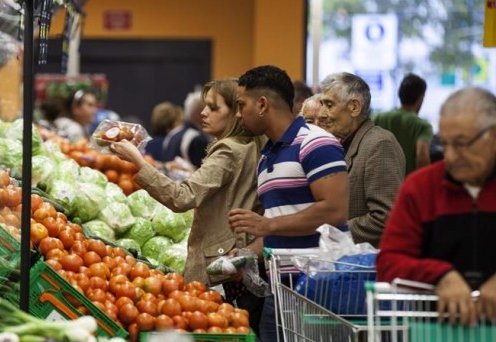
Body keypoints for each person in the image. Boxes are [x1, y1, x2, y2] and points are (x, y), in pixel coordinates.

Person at [109, 79, 266, 334]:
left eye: (214, 108)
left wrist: (138, 161)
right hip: (237, 259)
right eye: (205, 106)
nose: (203, 113)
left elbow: (182, 197)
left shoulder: (228, 150)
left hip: (220, 267)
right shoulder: (251, 146)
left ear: (236, 113)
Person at [229, 65, 350, 341]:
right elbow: (280, 225)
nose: (238, 114)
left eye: (241, 105)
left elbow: (334, 210)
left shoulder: (316, 143)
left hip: (320, 290)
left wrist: (267, 224)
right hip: (281, 289)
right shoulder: (267, 156)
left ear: (262, 104)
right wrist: (247, 255)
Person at [377, 87, 496, 326]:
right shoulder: (421, 188)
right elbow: (389, 261)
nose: (450, 157)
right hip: (436, 329)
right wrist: (440, 275)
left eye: (462, 144)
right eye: (445, 144)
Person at [318, 72, 405, 248]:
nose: (321, 114)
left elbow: (385, 218)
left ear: (354, 107)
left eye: (329, 105)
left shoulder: (380, 143)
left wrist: (332, 234)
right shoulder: (343, 144)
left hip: (368, 268)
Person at [373, 73, 433, 175]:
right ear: (420, 99)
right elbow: (421, 155)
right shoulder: (422, 126)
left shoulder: (378, 118)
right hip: (407, 186)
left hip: (379, 182)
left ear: (400, 94)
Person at [161, 90, 212, 169]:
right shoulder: (197, 139)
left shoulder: (172, 134)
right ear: (197, 112)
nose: (206, 112)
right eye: (206, 108)